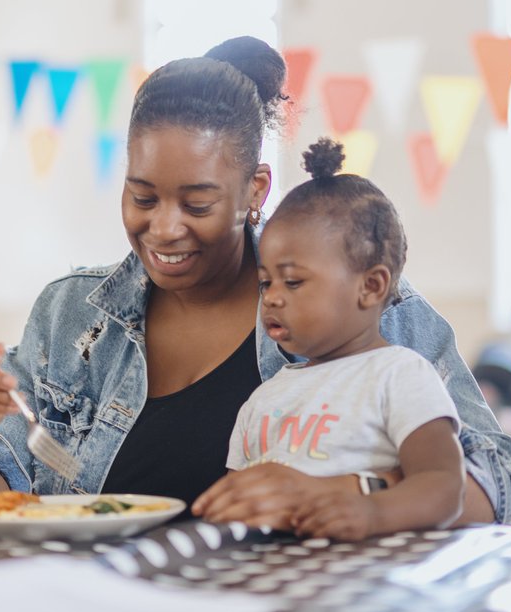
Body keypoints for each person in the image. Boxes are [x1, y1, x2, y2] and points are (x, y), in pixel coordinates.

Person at [0, 36, 511, 528]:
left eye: (197, 203)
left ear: (255, 191)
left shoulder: (350, 302)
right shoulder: (69, 318)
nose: (163, 229)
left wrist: (351, 493)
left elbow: (498, 483)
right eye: (143, 197)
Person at [193, 138, 463, 538]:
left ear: (370, 286)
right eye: (266, 282)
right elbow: (242, 497)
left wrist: (374, 513)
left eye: (294, 281)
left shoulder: (400, 375)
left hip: (365, 580)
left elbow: (443, 485)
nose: (273, 298)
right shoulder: (263, 399)